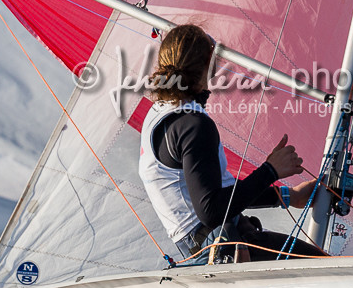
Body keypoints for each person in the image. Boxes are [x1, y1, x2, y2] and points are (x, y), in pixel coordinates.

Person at [138, 24, 327, 262]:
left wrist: (289, 196)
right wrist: (270, 171)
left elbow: (216, 191)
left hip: (207, 244)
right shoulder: (194, 126)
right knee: (331, 268)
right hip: (218, 246)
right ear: (208, 65)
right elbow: (211, 210)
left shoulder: (160, 113)